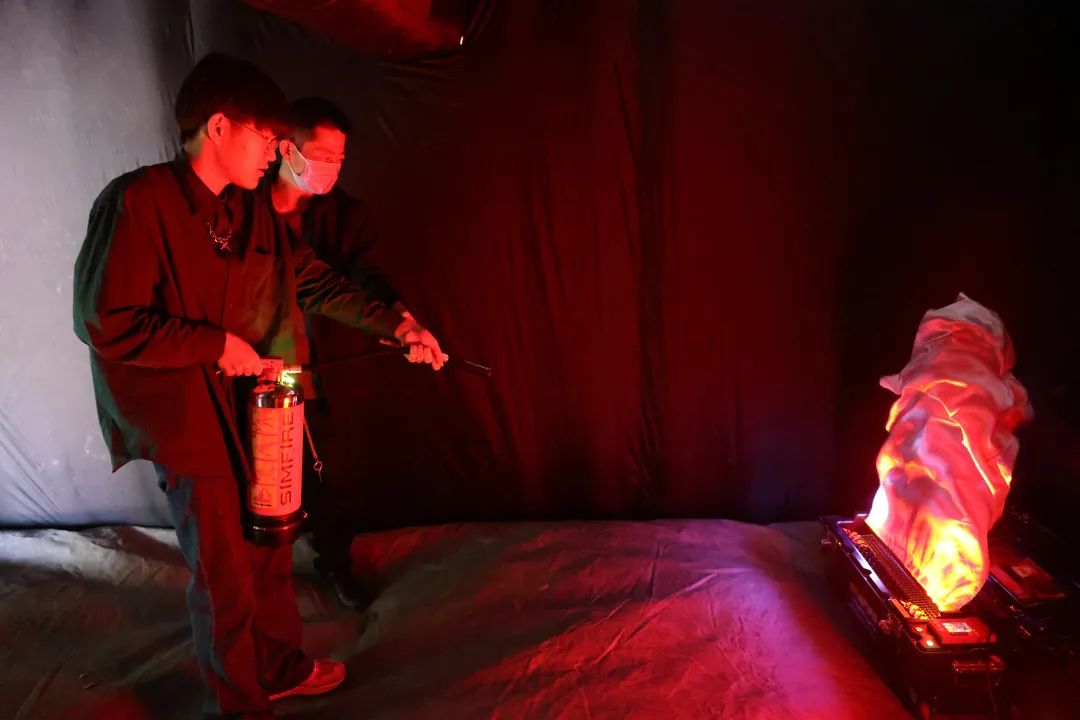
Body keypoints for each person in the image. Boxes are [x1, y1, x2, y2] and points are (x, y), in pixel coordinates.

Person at [72, 53, 441, 719]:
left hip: (258, 409)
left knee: (271, 548)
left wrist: (396, 325)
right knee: (225, 574)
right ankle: (243, 702)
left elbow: (312, 279)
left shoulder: (251, 211)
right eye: (268, 137)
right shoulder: (139, 201)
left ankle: (278, 667)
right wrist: (215, 345)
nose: (276, 152)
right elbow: (106, 322)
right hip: (190, 421)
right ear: (218, 127)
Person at [265, 96, 445, 608]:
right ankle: (259, 579)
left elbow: (362, 278)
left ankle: (334, 563)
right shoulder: (243, 207)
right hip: (251, 364)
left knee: (328, 473)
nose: (331, 168)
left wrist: (402, 321)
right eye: (321, 156)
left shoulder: (344, 215)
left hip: (316, 366)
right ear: (285, 148)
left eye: (339, 159)